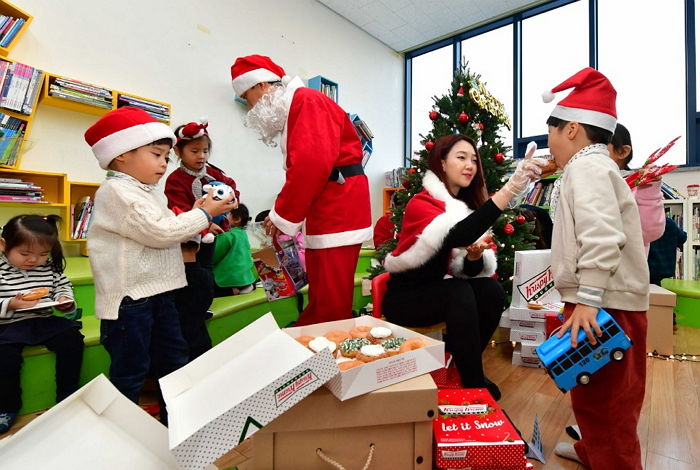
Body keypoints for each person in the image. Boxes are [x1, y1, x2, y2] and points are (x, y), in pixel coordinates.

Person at [84, 106, 234, 425]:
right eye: (157, 155)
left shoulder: (148, 193)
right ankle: (120, 433)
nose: (164, 163)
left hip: (162, 295)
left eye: (166, 156)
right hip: (131, 302)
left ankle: (173, 426)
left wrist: (198, 217)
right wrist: (204, 215)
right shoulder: (117, 192)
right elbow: (160, 232)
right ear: (122, 154)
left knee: (174, 362)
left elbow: (170, 231)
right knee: (131, 372)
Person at [381, 134, 547, 400]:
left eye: (473, 159)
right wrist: (511, 188)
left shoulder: (463, 209)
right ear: (442, 164)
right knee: (458, 292)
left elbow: (466, 267)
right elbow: (456, 234)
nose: (470, 165)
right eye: (461, 158)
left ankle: (467, 365)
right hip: (404, 298)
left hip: (437, 291)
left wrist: (472, 257)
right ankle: (473, 384)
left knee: (490, 289)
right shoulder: (421, 203)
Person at [543, 68, 649, 470]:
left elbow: (601, 236)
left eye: (550, 133)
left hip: (603, 306)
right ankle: (595, 451)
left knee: (608, 402)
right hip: (602, 301)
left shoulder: (586, 169)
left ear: (571, 129)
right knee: (595, 394)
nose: (548, 143)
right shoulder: (591, 167)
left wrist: (588, 299)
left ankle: (614, 461)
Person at [230, 54, 372, 326]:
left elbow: (311, 164)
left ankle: (324, 349)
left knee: (331, 301)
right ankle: (312, 341)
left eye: (247, 97)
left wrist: (281, 215)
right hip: (329, 210)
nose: (250, 107)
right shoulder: (300, 105)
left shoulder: (306, 100)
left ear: (260, 86)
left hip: (337, 211)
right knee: (324, 295)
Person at [165, 118, 240, 360]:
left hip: (213, 237)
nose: (201, 156)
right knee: (194, 278)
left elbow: (232, 189)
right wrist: (204, 223)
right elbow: (179, 210)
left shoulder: (215, 173)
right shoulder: (176, 180)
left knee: (206, 273)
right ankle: (194, 310)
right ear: (178, 151)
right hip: (189, 240)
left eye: (205, 151)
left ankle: (201, 306)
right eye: (194, 151)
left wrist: (230, 201)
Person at [0, 215, 83, 434]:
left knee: (72, 340)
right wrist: (11, 303)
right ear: (3, 245)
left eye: (43, 254)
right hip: (8, 325)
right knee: (5, 358)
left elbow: (63, 287)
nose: (34, 260)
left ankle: (67, 395)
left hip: (43, 320)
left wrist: (66, 302)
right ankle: (7, 407)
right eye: (25, 254)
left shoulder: (49, 268)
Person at [608, 123, 665, 254]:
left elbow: (651, 231)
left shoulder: (637, 184)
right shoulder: (586, 180)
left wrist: (650, 189)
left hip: (626, 269)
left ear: (623, 151)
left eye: (600, 147)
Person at [212, 204, 257, 297]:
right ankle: (247, 286)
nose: (222, 217)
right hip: (246, 277)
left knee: (207, 287)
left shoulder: (227, 235)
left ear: (237, 219)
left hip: (229, 280)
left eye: (226, 214)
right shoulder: (243, 235)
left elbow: (213, 257)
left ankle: (232, 290)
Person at [648, 216, 687, 285]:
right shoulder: (669, 222)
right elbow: (683, 237)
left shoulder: (642, 222)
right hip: (664, 269)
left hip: (648, 268)